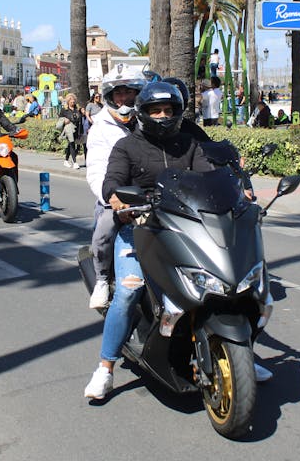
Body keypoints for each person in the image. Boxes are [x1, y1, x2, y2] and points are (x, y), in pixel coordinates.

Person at [84, 82, 216, 400]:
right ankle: (105, 368)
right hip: (139, 228)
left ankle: (240, 357)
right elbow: (111, 184)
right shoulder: (127, 147)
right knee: (129, 291)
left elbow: (210, 176)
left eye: (168, 110)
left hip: (186, 228)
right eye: (155, 110)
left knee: (222, 286)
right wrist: (119, 202)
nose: (162, 116)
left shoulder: (189, 145)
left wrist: (234, 192)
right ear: (143, 113)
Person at [84, 70, 146, 310]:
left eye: (129, 93)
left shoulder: (147, 119)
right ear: (110, 97)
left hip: (152, 193)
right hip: (117, 196)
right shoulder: (101, 127)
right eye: (118, 94)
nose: (123, 99)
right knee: (105, 228)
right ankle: (101, 279)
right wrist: (112, 197)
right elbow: (97, 168)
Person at [58, 94, 84, 169]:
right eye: (71, 101)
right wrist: (64, 120)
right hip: (68, 129)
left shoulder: (77, 108)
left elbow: (80, 118)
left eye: (74, 101)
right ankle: (75, 162)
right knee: (72, 143)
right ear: (68, 101)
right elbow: (60, 119)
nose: (73, 102)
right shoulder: (64, 110)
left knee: (72, 145)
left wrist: (82, 113)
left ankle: (66, 160)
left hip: (77, 129)